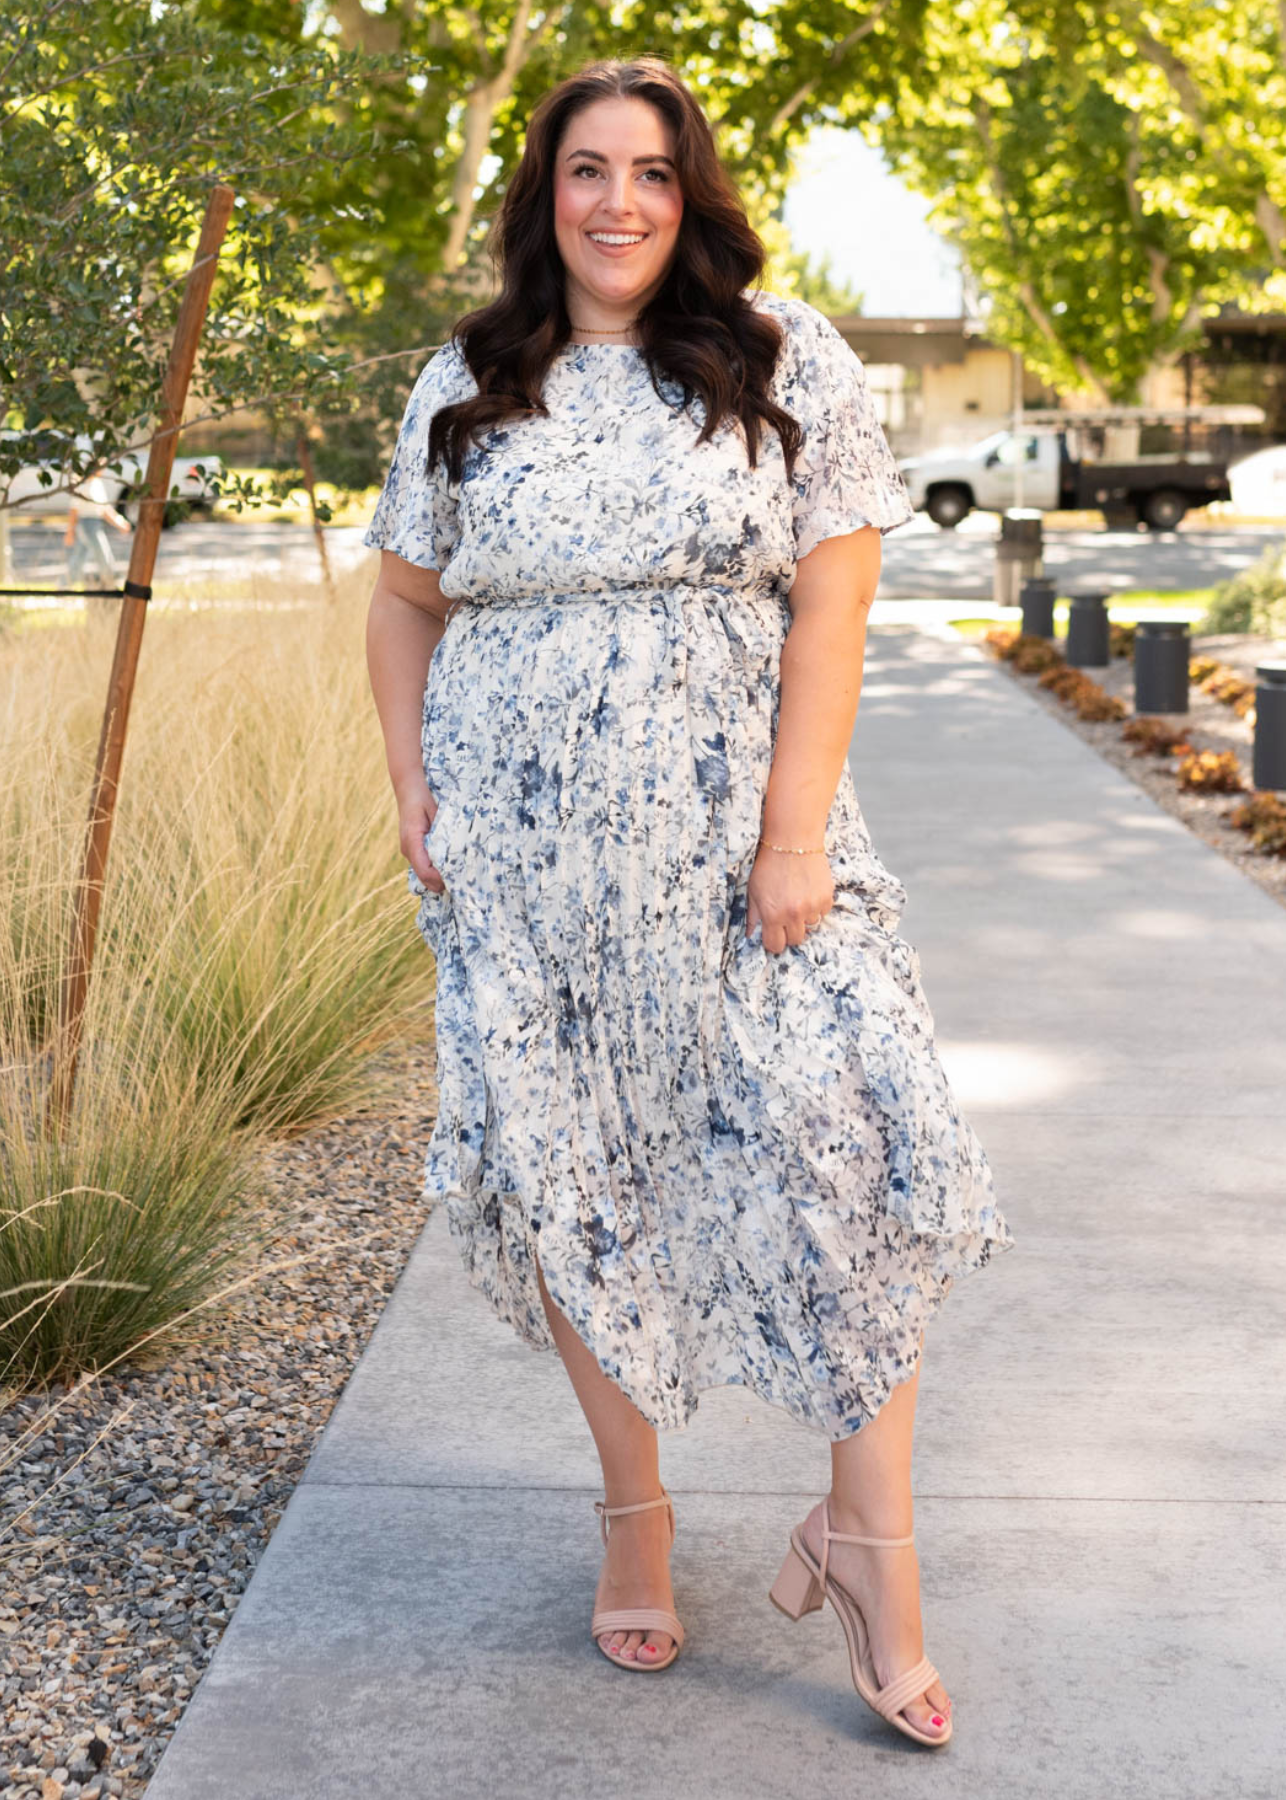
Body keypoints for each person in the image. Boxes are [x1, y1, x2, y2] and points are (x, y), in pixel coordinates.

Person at [363, 55, 1013, 1748]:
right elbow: (406, 602)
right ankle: (633, 1514)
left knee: (851, 1153)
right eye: (587, 171)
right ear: (545, 195)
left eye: (651, 173)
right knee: (583, 1170)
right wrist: (410, 785)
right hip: (527, 861)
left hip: (746, 852)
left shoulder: (784, 362)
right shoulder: (470, 380)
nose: (619, 205)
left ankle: (871, 1544)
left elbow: (832, 608)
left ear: (693, 193)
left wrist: (792, 835)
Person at [64, 472, 131, 591]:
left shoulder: (97, 483)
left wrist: (119, 522)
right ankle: (111, 584)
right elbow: (74, 511)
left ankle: (65, 584)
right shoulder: (81, 484)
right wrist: (70, 531)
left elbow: (105, 508)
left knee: (79, 557)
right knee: (103, 554)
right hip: (86, 524)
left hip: (96, 523)